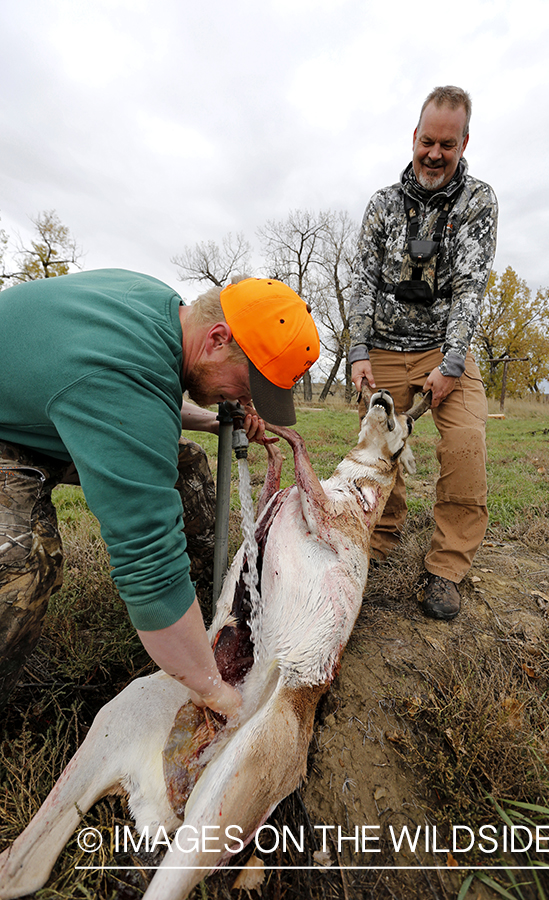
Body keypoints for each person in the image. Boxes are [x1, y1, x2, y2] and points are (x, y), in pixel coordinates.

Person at [0, 269, 319, 714]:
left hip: (36, 413)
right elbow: (146, 561)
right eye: (247, 387)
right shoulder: (121, 371)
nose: (247, 403)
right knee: (19, 560)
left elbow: (142, 393)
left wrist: (211, 419)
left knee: (184, 461)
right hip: (10, 435)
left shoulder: (161, 309)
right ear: (217, 339)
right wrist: (211, 689)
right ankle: (182, 639)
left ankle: (208, 613)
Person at [348, 85, 498, 621]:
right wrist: (358, 350)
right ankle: (375, 542)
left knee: (464, 444)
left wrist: (453, 362)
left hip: (444, 346)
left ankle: (445, 568)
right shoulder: (382, 205)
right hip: (384, 347)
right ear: (414, 137)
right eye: (427, 142)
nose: (435, 154)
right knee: (374, 450)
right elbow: (363, 279)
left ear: (463, 143)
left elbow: (470, 288)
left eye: (448, 145)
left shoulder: (477, 202)